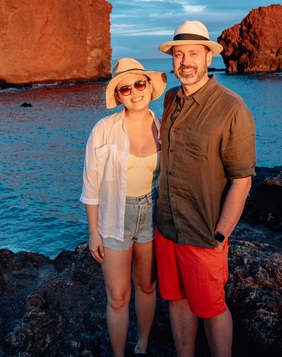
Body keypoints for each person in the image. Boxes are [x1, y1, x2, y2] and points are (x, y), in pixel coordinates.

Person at [154, 20, 256, 357]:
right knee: (176, 300)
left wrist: (221, 234)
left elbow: (242, 179)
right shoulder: (169, 100)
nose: (185, 61)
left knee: (212, 308)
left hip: (204, 233)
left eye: (193, 53)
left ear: (208, 57)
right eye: (178, 54)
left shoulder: (232, 108)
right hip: (168, 227)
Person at [81, 58, 168, 357]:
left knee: (146, 286)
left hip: (152, 215)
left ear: (149, 87)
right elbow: (91, 185)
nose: (134, 92)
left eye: (139, 84)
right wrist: (93, 232)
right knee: (118, 296)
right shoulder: (103, 130)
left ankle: (142, 345)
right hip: (114, 216)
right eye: (125, 88)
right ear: (118, 95)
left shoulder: (163, 126)